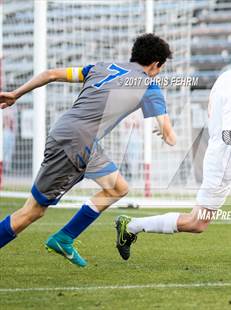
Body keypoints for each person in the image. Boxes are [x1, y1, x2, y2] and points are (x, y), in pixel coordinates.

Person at [0, 33, 176, 267]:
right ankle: (63, 238)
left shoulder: (101, 67)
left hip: (67, 132)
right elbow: (171, 137)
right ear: (155, 64)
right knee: (32, 211)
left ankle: (64, 238)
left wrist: (15, 94)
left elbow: (50, 74)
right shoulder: (149, 86)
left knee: (118, 188)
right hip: (78, 142)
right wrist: (165, 133)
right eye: (161, 68)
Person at [115, 36, 231, 262]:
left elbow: (219, 115)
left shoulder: (230, 78)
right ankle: (131, 226)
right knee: (197, 223)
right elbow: (229, 136)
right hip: (223, 166)